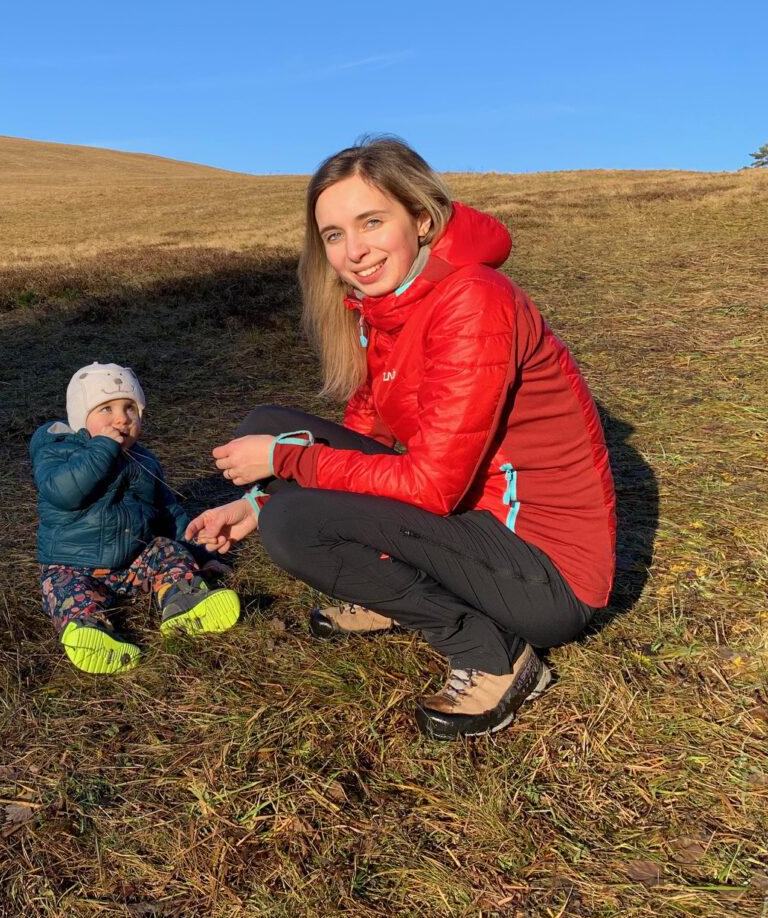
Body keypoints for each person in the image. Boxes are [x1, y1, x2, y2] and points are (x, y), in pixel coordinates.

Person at [186, 137, 615, 738]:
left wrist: (286, 467)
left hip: (544, 575)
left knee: (295, 517)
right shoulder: (386, 308)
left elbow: (432, 485)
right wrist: (259, 498)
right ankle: (387, 587)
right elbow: (368, 429)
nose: (354, 251)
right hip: (472, 519)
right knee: (265, 429)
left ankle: (492, 653)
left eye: (371, 222)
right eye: (334, 234)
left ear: (421, 218)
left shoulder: (472, 300)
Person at [31, 362, 241, 674]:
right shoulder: (60, 451)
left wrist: (200, 552)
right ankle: (89, 631)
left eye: (130, 408)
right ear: (80, 418)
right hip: (72, 563)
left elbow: (169, 513)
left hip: (131, 562)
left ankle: (186, 602)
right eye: (106, 409)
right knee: (64, 590)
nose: (121, 418)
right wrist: (101, 448)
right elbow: (64, 492)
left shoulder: (144, 461)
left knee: (168, 551)